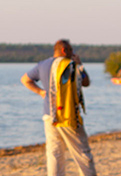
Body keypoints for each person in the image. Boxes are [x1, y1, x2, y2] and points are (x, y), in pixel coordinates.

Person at [20, 39, 96, 176]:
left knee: (54, 153)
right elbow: (86, 82)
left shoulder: (42, 65)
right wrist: (80, 64)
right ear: (63, 50)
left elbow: (25, 79)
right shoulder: (71, 64)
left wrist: (41, 92)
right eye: (71, 50)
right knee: (82, 153)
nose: (73, 53)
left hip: (49, 115)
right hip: (68, 114)